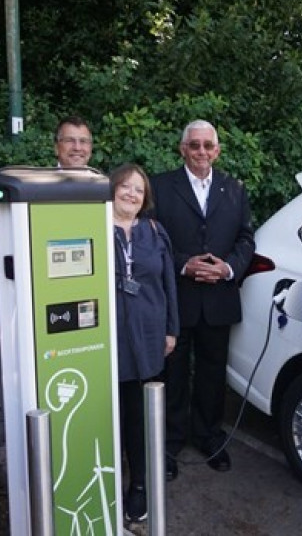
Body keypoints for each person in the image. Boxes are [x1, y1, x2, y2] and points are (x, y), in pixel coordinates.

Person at [150, 120, 255, 480]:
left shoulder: (234, 189)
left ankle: (209, 435)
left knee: (212, 373)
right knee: (172, 372)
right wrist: (183, 265)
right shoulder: (160, 187)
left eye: (207, 146)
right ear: (182, 149)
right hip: (176, 298)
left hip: (218, 298)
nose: (201, 152)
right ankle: (171, 440)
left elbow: (246, 239)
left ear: (217, 150)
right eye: (194, 145)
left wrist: (228, 268)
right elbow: (153, 239)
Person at [109, 164, 179, 522]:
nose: (131, 194)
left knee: (138, 418)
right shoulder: (93, 228)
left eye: (138, 189)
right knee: (111, 418)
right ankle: (108, 486)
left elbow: (169, 284)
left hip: (149, 336)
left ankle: (138, 486)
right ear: (112, 188)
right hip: (108, 339)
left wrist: (172, 330)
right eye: (125, 186)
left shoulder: (155, 230)